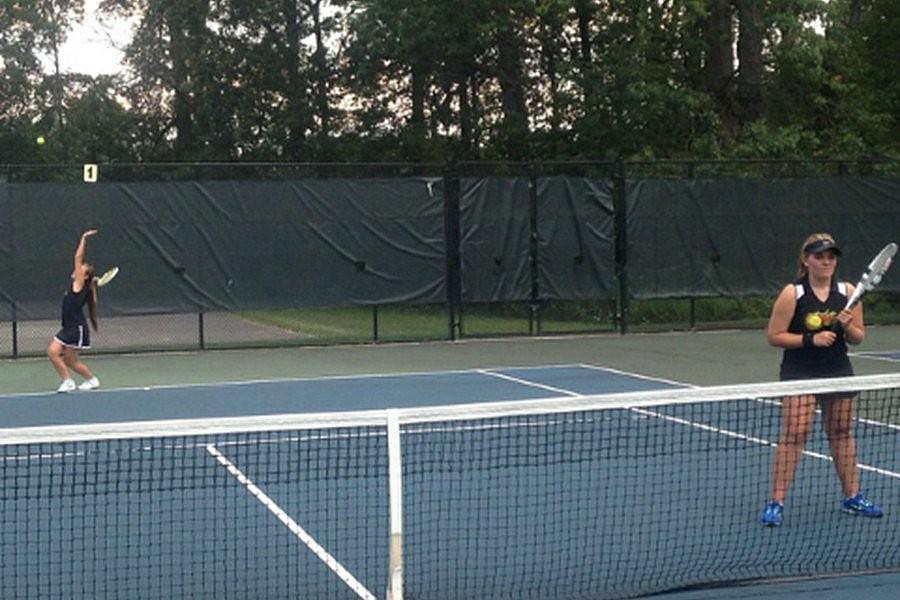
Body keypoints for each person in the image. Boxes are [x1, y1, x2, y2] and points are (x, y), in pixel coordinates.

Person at [759, 233, 883, 526]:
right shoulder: (794, 293)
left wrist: (848, 324)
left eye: (830, 256)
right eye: (819, 256)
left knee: (841, 432)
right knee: (796, 433)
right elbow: (774, 336)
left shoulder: (849, 291)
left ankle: (853, 497)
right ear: (806, 260)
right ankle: (775, 502)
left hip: (837, 370)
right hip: (800, 372)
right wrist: (809, 339)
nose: (826, 261)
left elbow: (858, 338)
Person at [47, 229, 102, 393]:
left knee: (55, 353)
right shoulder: (84, 287)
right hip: (69, 327)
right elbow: (94, 300)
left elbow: (77, 257)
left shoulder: (79, 285)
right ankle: (91, 380)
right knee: (66, 358)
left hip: (76, 328)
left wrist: (83, 238)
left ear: (84, 276)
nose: (78, 268)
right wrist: (93, 286)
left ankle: (70, 381)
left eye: (82, 269)